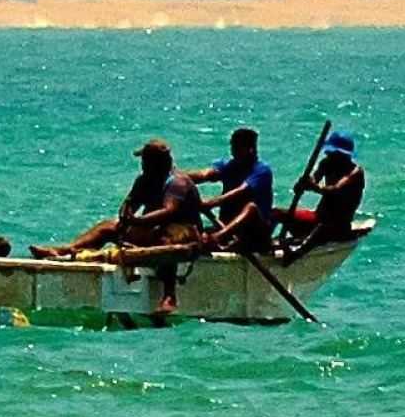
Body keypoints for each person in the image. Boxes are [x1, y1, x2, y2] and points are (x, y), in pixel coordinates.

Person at [29, 138, 204, 313]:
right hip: (151, 229)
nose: (142, 166)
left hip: (184, 233)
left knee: (165, 237)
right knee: (108, 226)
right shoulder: (144, 181)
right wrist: (126, 213)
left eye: (145, 162)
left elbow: (169, 211)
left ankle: (169, 296)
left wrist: (136, 221)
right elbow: (130, 203)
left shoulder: (177, 183)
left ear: (157, 164)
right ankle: (63, 251)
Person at [276, 130, 365, 266]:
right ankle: (260, 243)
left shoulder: (355, 173)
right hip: (318, 217)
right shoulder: (326, 163)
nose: (327, 154)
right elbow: (315, 178)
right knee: (276, 213)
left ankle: (294, 255)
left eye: (332, 152)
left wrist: (314, 187)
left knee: (323, 228)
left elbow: (335, 190)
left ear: (342, 155)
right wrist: (303, 183)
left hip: (337, 226)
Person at [184, 127, 274, 252]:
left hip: (255, 234)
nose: (232, 150)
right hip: (227, 227)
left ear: (250, 149)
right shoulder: (228, 166)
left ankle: (218, 237)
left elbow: (241, 191)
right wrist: (179, 178)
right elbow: (205, 174)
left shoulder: (262, 170)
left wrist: (212, 203)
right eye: (232, 145)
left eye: (237, 146)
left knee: (251, 208)